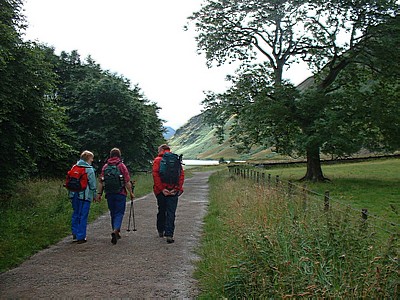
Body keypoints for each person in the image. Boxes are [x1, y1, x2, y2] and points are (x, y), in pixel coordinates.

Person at [97, 148, 134, 245]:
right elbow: (126, 181)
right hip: (120, 193)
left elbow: (101, 181)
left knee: (112, 212)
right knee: (119, 213)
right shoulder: (121, 165)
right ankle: (116, 229)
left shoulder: (105, 166)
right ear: (119, 155)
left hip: (109, 193)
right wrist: (131, 192)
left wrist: (99, 194)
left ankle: (115, 229)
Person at [152, 144, 184, 244]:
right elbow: (181, 175)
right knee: (171, 212)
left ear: (161, 150)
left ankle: (161, 230)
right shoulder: (175, 159)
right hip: (173, 189)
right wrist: (177, 188)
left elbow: (155, 176)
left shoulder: (157, 160)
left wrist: (162, 189)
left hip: (161, 191)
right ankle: (169, 234)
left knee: (161, 210)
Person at [70, 150, 97, 244]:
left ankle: (74, 233)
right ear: (88, 158)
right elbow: (92, 185)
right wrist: (95, 195)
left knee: (75, 213)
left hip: (73, 194)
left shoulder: (74, 167)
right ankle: (81, 236)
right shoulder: (89, 169)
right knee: (83, 215)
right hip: (85, 196)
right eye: (91, 158)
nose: (92, 160)